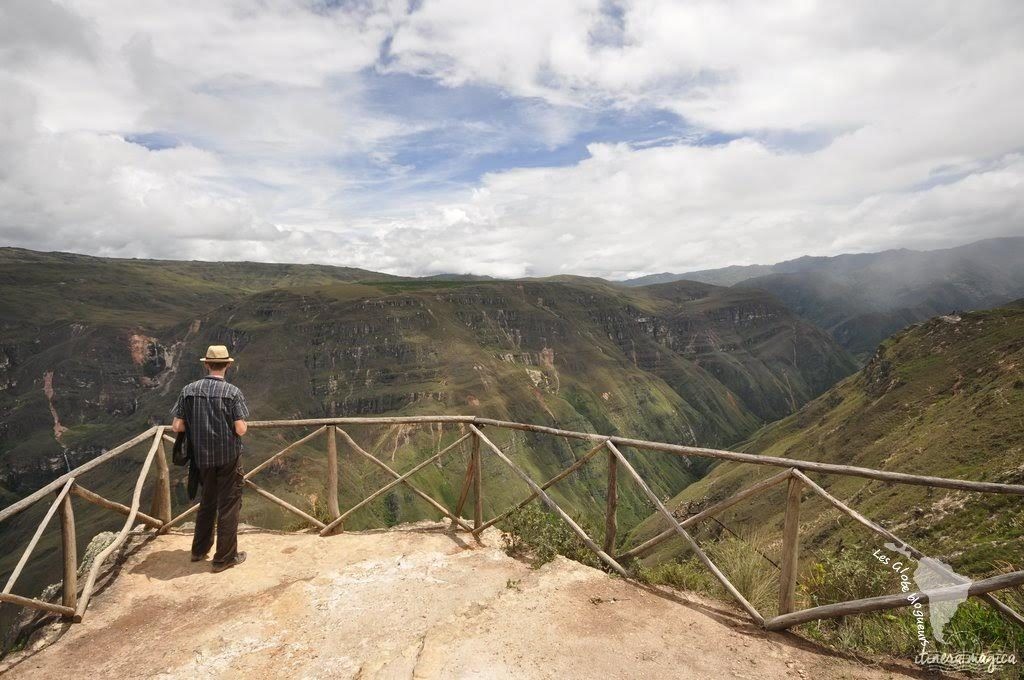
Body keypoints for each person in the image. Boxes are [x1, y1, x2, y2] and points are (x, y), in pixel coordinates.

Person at [171, 345, 250, 572]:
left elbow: (177, 425)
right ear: (227, 365)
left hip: (201, 458)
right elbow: (241, 429)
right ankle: (224, 558)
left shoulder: (188, 390)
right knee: (228, 504)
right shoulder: (233, 393)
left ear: (206, 364)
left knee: (207, 502)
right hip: (228, 457)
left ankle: (199, 550)